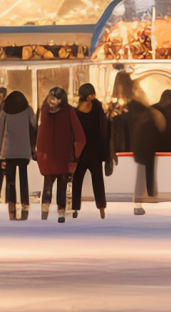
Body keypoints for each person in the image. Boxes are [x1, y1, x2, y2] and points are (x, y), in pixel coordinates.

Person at [34, 86, 87, 220]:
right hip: (64, 153)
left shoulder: (43, 110)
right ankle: (61, 211)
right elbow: (80, 135)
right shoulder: (69, 111)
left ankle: (45, 210)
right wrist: (76, 155)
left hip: (46, 154)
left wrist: (38, 151)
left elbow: (38, 132)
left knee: (47, 182)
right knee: (62, 184)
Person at [71, 82, 114, 218]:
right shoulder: (98, 110)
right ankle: (101, 208)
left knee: (77, 180)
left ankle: (75, 208)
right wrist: (107, 152)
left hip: (80, 152)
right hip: (95, 151)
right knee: (98, 181)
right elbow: (104, 132)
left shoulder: (76, 112)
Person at [0, 89, 36, 220]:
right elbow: (34, 124)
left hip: (9, 149)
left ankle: (11, 203)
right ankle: (25, 203)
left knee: (10, 179)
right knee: (23, 178)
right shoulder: (28, 110)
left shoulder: (5, 111)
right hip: (23, 148)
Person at [128, 87, 167, 215]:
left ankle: (142, 199)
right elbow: (160, 130)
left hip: (141, 151)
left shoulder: (140, 118)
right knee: (145, 175)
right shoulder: (153, 115)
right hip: (147, 151)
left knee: (142, 175)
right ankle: (144, 198)